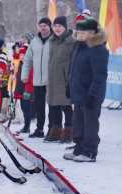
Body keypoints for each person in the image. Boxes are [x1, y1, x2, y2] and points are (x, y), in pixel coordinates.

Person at [64, 18, 109, 162]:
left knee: (90, 124)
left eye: (83, 33)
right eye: (78, 32)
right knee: (78, 123)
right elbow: (73, 69)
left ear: (92, 33)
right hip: (78, 92)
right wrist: (69, 87)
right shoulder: (79, 46)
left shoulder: (98, 49)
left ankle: (89, 152)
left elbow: (100, 75)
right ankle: (79, 149)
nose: (79, 35)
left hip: (90, 95)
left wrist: (93, 95)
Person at [21, 17, 52, 138]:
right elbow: (27, 60)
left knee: (53, 107)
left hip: (51, 80)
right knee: (39, 106)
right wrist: (24, 75)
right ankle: (39, 129)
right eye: (41, 26)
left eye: (45, 25)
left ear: (50, 27)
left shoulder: (54, 40)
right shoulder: (34, 41)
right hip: (37, 80)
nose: (43, 28)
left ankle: (52, 129)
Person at [46, 16, 75, 143]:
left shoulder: (71, 41)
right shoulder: (51, 41)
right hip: (53, 78)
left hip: (65, 78)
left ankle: (69, 131)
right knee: (54, 106)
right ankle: (56, 131)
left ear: (65, 27)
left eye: (60, 26)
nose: (57, 29)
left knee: (66, 106)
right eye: (55, 26)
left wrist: (70, 77)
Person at [14, 46, 34, 133]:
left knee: (27, 109)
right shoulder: (21, 64)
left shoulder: (29, 64)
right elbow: (19, 80)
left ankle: (27, 126)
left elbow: (30, 78)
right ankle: (26, 126)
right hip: (21, 90)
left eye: (23, 54)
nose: (22, 56)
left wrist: (28, 90)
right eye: (21, 54)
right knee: (23, 108)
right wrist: (17, 92)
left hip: (27, 91)